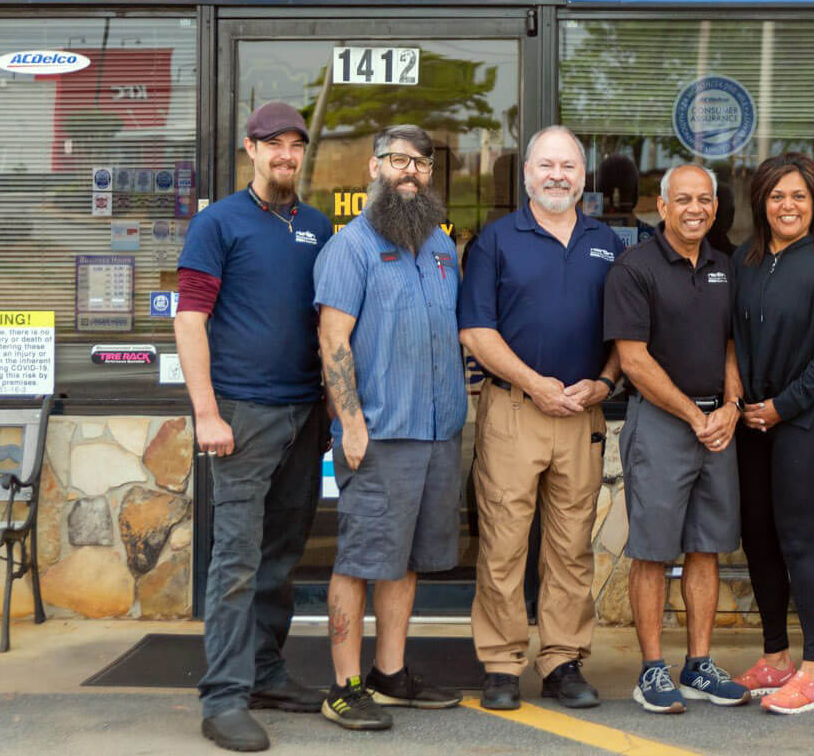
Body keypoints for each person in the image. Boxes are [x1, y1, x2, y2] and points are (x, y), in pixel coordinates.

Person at [177, 101, 334, 752]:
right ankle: (224, 696)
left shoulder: (319, 227)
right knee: (237, 558)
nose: (285, 156)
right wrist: (206, 412)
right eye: (273, 145)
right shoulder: (218, 223)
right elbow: (189, 321)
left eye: (295, 146)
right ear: (250, 149)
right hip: (241, 414)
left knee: (281, 554)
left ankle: (267, 673)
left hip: (304, 413)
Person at [458, 125, 622, 711]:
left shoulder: (607, 242)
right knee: (503, 543)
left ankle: (561, 660)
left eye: (569, 167)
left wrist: (603, 382)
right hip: (515, 409)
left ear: (583, 177)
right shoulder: (498, 240)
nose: (558, 176)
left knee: (571, 545)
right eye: (547, 165)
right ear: (527, 174)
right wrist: (535, 384)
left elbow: (626, 332)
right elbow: (476, 330)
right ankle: (502, 663)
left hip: (582, 413)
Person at [312, 125, 466, 730]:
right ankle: (344, 686)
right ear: (374, 168)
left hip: (437, 433)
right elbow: (332, 339)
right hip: (378, 435)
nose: (410, 171)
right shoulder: (349, 247)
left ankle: (391, 673)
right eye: (399, 160)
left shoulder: (441, 247)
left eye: (421, 163)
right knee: (358, 558)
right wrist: (350, 423)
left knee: (406, 561)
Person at [604, 163, 753, 714]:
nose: (696, 208)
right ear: (662, 207)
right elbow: (633, 360)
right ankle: (651, 671)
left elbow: (733, 345)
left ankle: (698, 665)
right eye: (683, 199)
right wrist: (695, 415)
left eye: (705, 199)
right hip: (665, 425)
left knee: (705, 547)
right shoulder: (634, 268)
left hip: (718, 424)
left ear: (716, 207)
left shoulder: (725, 265)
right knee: (652, 549)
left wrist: (732, 407)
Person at [731, 154, 814, 715]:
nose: (788, 205)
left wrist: (783, 406)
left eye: (799, 197)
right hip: (753, 419)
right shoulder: (746, 260)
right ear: (761, 201)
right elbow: (730, 336)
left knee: (799, 539)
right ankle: (776, 657)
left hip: (807, 417)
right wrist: (746, 404)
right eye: (778, 195)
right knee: (757, 536)